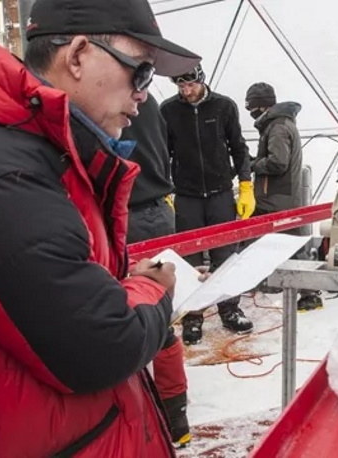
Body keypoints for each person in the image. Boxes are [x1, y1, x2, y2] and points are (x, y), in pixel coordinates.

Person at [0, 0, 201, 455]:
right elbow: (102, 344)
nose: (143, 94)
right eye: (141, 72)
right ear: (77, 55)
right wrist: (153, 288)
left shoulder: (36, 148)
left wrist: (113, 281)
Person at [161, 64, 255, 342]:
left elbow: (238, 147)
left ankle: (229, 310)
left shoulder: (224, 107)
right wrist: (165, 189)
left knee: (224, 255)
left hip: (220, 193)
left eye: (190, 86)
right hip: (187, 195)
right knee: (190, 259)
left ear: (201, 80)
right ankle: (193, 315)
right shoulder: (168, 111)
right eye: (180, 87)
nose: (186, 92)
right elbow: (163, 153)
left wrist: (246, 184)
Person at [122, 92, 191, 448]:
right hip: (159, 211)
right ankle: (175, 416)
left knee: (134, 316)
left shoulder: (106, 97)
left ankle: (157, 420)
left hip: (130, 213)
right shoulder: (148, 102)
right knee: (162, 318)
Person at [245, 82, 322, 311]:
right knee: (294, 246)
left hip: (276, 198)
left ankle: (306, 293)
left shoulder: (277, 127)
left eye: (251, 106)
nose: (249, 111)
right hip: (285, 196)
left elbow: (278, 162)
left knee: (256, 239)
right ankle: (308, 294)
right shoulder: (282, 123)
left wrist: (253, 164)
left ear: (259, 105)